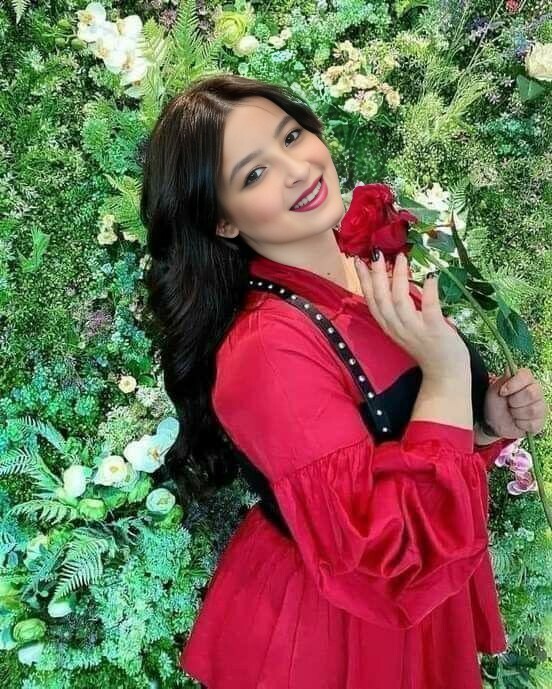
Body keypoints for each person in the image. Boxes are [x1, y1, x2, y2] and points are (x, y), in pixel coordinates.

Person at [139, 73, 548, 689]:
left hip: (416, 593)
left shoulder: (366, 272)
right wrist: (445, 373)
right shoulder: (267, 353)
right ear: (222, 221)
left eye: (291, 137)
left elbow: (416, 449)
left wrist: (486, 422)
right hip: (342, 623)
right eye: (254, 174)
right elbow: (382, 552)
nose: (297, 170)